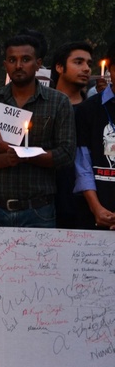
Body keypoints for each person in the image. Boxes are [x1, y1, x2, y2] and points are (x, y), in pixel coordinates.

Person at [0, 35, 76, 228]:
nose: (18, 65)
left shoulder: (58, 102)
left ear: (38, 64)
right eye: (12, 60)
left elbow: (66, 155)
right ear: (5, 64)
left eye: (26, 59)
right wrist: (8, 158)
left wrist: (20, 153)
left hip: (38, 210)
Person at [51, 41, 94, 228]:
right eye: (78, 62)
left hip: (86, 206)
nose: (86, 69)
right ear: (59, 67)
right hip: (45, 204)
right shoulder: (40, 107)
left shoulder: (95, 110)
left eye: (89, 64)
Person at [74, 43, 115, 230]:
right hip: (95, 211)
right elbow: (82, 164)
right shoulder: (88, 109)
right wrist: (96, 207)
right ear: (110, 70)